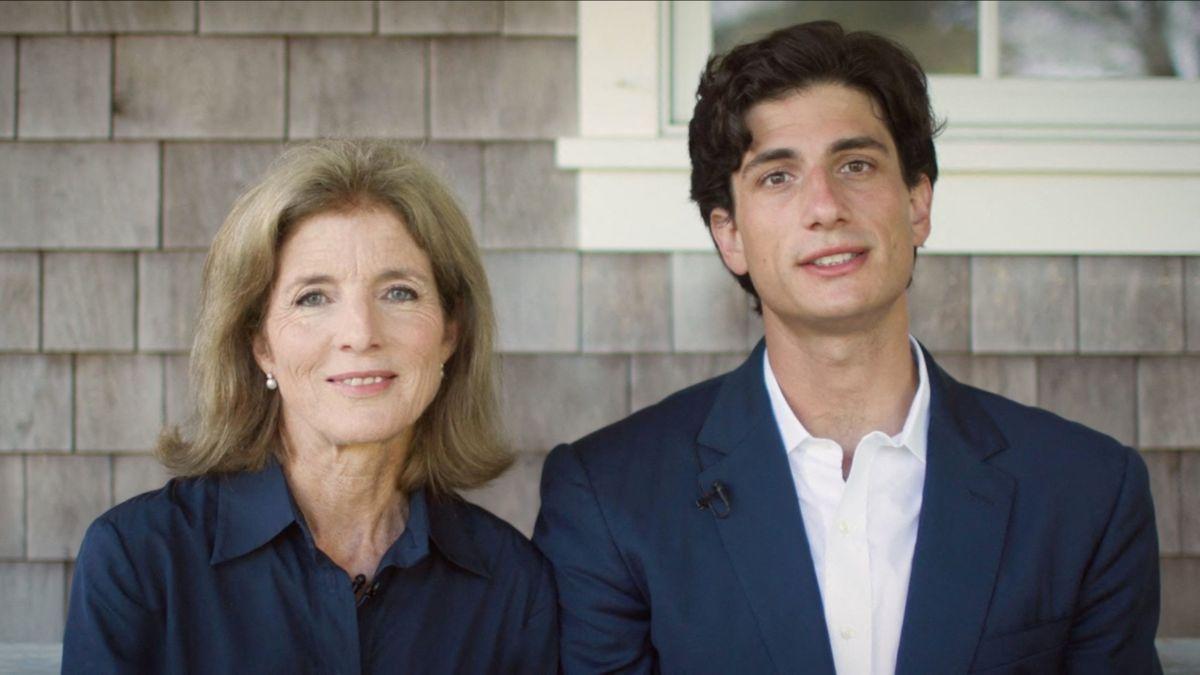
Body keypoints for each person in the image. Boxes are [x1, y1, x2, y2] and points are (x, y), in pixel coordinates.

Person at [534, 21, 1161, 674]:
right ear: (730, 235)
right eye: (778, 177)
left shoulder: (1085, 492)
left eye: (855, 164)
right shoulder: (609, 497)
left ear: (917, 202)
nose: (825, 205)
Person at [63, 140, 557, 673]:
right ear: (261, 345)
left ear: (450, 332)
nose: (361, 333)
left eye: (399, 293)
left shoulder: (511, 583)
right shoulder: (140, 560)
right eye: (313, 297)